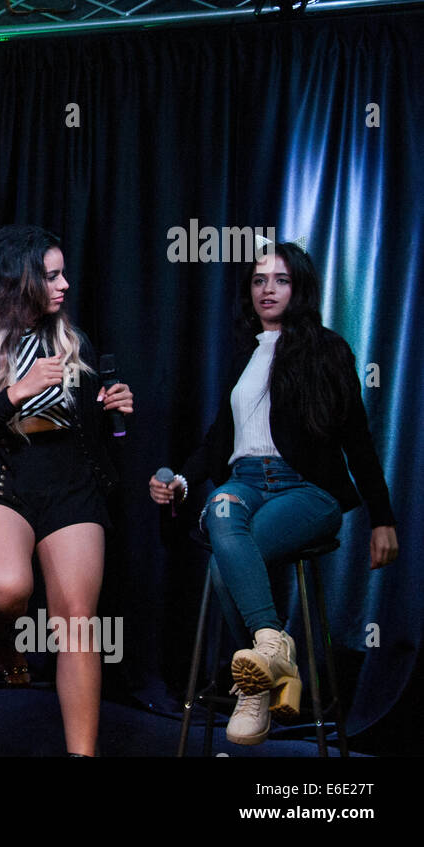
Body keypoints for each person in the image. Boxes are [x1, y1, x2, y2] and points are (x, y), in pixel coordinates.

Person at [150, 241, 398, 745]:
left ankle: (259, 685)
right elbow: (219, 439)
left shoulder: (327, 350)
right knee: (219, 508)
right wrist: (179, 480)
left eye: (280, 280)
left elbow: (358, 439)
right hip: (242, 483)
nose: (267, 289)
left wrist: (382, 518)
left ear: (299, 287)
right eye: (259, 279)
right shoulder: (244, 356)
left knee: (228, 559)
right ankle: (273, 661)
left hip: (307, 490)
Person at [0, 224, 132, 757]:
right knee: (5, 590)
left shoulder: (71, 339)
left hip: (67, 479)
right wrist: (17, 391)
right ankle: (0, 640)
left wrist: (109, 406)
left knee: (77, 618)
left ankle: (81, 753)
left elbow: (85, 424)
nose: (64, 284)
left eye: (63, 273)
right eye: (51, 275)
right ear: (19, 280)